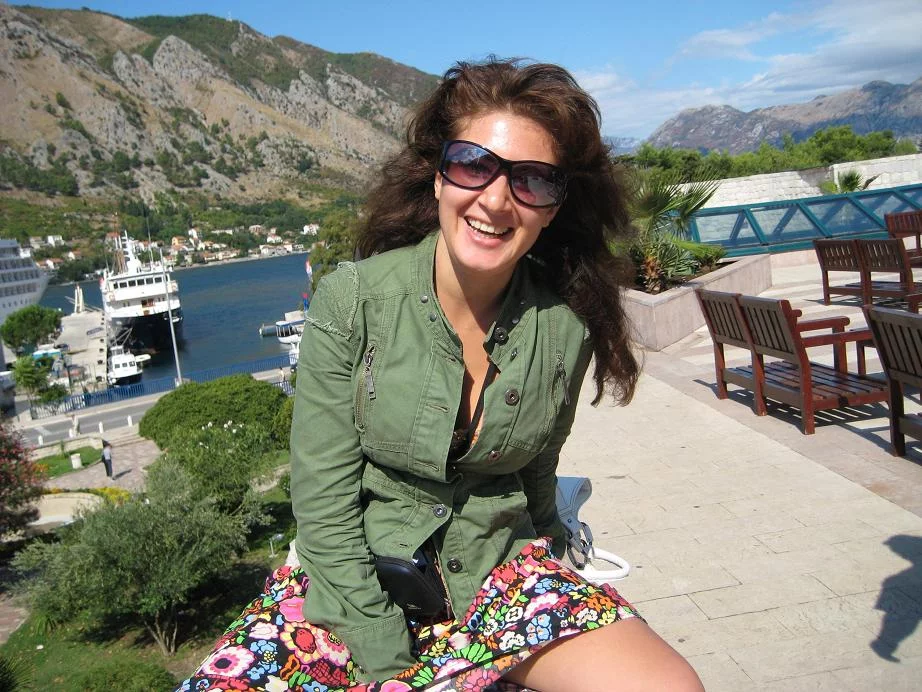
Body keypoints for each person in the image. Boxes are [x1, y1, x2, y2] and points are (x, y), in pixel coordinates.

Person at [180, 58, 702, 691]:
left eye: (532, 180)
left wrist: (555, 566)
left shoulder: (564, 329)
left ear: (553, 207)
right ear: (437, 177)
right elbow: (323, 500)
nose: (496, 199)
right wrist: (385, 653)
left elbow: (537, 475)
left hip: (499, 570)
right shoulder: (353, 302)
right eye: (473, 164)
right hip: (354, 576)